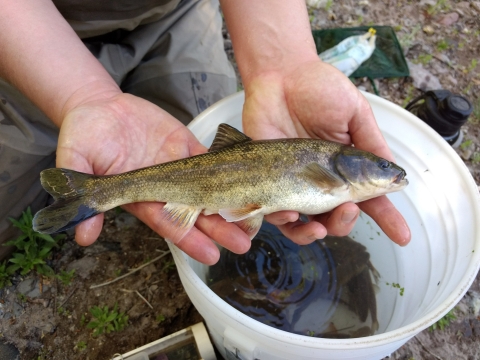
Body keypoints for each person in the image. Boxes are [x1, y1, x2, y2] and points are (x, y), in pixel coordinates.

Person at [0, 0, 410, 265]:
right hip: (22, 32)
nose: (391, 172)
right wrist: (81, 96)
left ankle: (100, 192)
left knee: (194, 114)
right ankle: (95, 191)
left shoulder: (333, 170)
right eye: (380, 165)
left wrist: (283, 63)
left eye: (381, 165)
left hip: (174, 13)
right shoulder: (329, 171)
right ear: (352, 165)